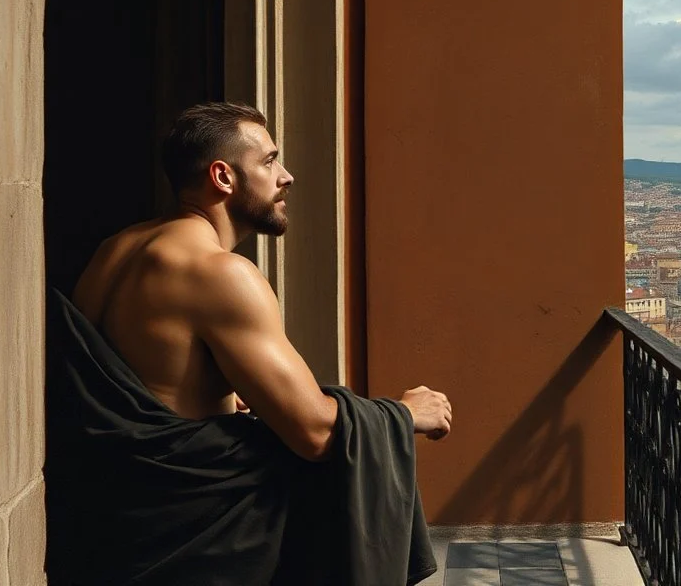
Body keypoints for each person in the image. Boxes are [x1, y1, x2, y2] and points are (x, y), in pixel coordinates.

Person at [47, 102, 449, 585]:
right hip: (192, 531)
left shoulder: (116, 249)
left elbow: (142, 386)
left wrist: (218, 388)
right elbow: (316, 434)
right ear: (223, 176)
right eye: (269, 161)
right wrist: (404, 415)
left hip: (106, 525)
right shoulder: (221, 274)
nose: (287, 176)